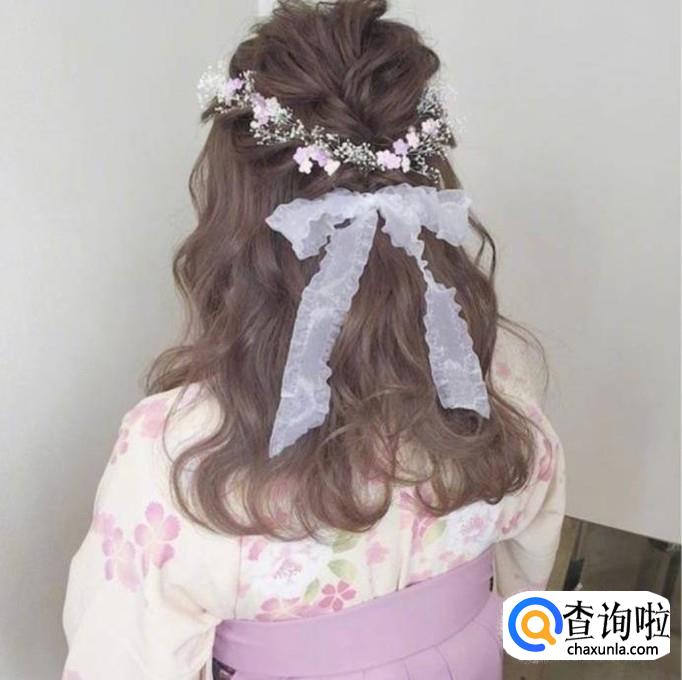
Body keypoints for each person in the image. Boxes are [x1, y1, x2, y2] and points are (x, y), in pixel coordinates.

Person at [61, 1, 566, 678]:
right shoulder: (489, 379)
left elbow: (118, 662)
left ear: (237, 223)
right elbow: (529, 569)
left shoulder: (176, 455)